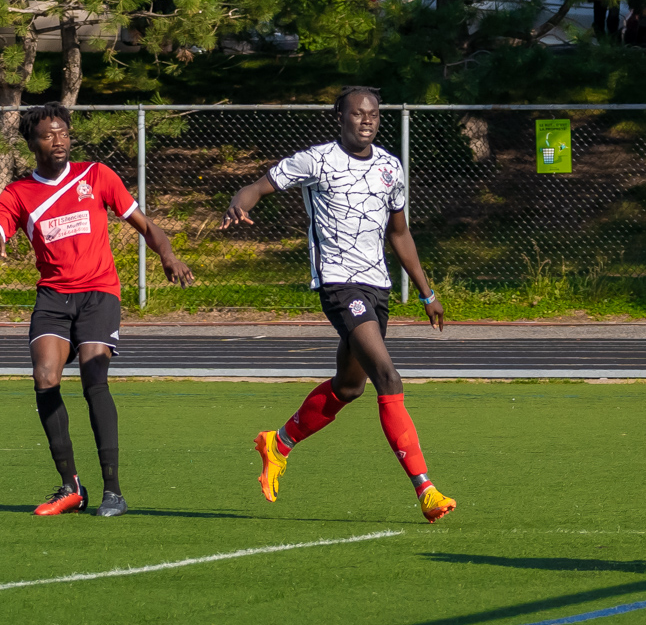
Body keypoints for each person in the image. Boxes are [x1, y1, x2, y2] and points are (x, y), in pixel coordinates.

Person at [223, 86, 456, 523]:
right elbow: (259, 185)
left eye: (373, 113)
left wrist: (427, 291)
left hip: (377, 286)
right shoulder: (317, 160)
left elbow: (399, 234)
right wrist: (242, 198)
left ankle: (278, 443)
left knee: (350, 387)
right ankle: (425, 488)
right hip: (338, 284)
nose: (366, 120)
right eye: (357, 113)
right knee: (388, 375)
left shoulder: (390, 167)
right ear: (340, 117)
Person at [0, 102, 194, 516]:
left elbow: (144, 223)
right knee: (45, 376)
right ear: (32, 142)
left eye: (64, 133)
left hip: (98, 293)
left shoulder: (95, 176)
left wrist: (167, 253)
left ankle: (113, 491)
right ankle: (71, 488)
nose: (60, 140)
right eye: (50, 134)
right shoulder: (18, 194)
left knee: (93, 376)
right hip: (53, 298)